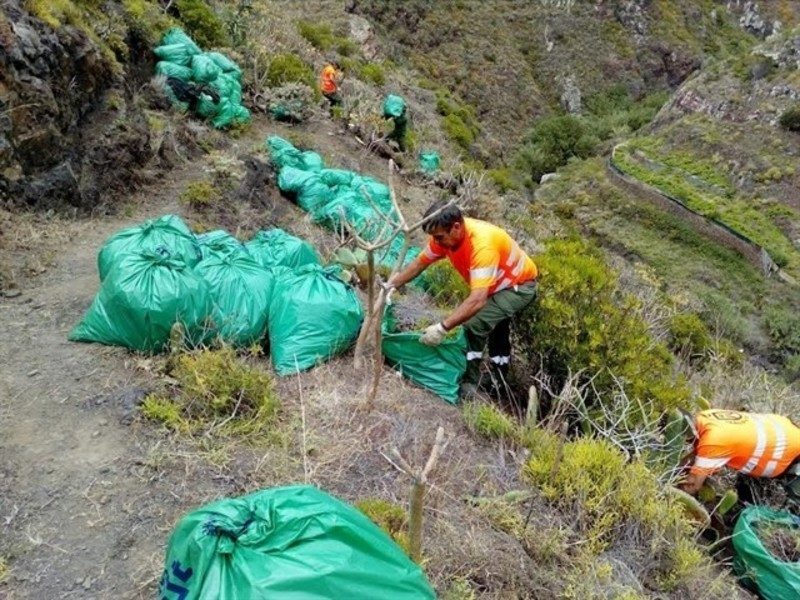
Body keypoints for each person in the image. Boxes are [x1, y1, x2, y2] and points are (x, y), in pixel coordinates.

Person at [386, 201, 538, 402]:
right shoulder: (444, 238)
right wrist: (390, 285)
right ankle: (498, 378)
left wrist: (442, 327)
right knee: (496, 328)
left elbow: (477, 300)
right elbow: (419, 263)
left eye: (439, 237)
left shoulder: (482, 245)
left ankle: (471, 383)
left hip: (519, 287)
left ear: (456, 227)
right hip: (497, 286)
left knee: (475, 323)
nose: (436, 242)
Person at [677, 408, 800, 503]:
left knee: (795, 508)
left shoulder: (713, 443)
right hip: (787, 430)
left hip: (790, 454)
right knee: (746, 492)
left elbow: (692, 485)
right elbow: (699, 452)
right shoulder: (704, 415)